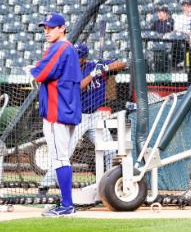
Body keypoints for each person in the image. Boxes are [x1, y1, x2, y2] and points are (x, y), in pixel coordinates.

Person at [38, 43, 126, 197]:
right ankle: (44, 186)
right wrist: (93, 75)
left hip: (96, 116)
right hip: (78, 117)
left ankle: (110, 185)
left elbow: (122, 64)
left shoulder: (95, 65)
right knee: (65, 152)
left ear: (84, 58)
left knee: (111, 149)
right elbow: (77, 88)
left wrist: (104, 69)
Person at [29, 13, 82, 217]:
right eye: (45, 28)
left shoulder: (60, 48)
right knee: (62, 158)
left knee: (60, 159)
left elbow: (41, 73)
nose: (47, 31)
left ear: (62, 28)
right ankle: (66, 203)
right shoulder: (70, 49)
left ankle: (67, 205)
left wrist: (32, 69)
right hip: (67, 109)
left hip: (56, 111)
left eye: (51, 27)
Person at [151, 6, 174, 73]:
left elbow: (172, 32)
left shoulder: (171, 21)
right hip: (157, 43)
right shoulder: (156, 23)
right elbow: (151, 32)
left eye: (160, 12)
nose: (158, 14)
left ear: (165, 13)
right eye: (158, 13)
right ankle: (156, 71)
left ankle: (167, 71)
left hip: (167, 43)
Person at [172, 0, 191, 70]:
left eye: (188, 6)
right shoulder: (179, 17)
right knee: (184, 44)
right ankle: (186, 64)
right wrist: (186, 34)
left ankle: (190, 64)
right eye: (184, 6)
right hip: (183, 37)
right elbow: (176, 30)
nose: (186, 7)